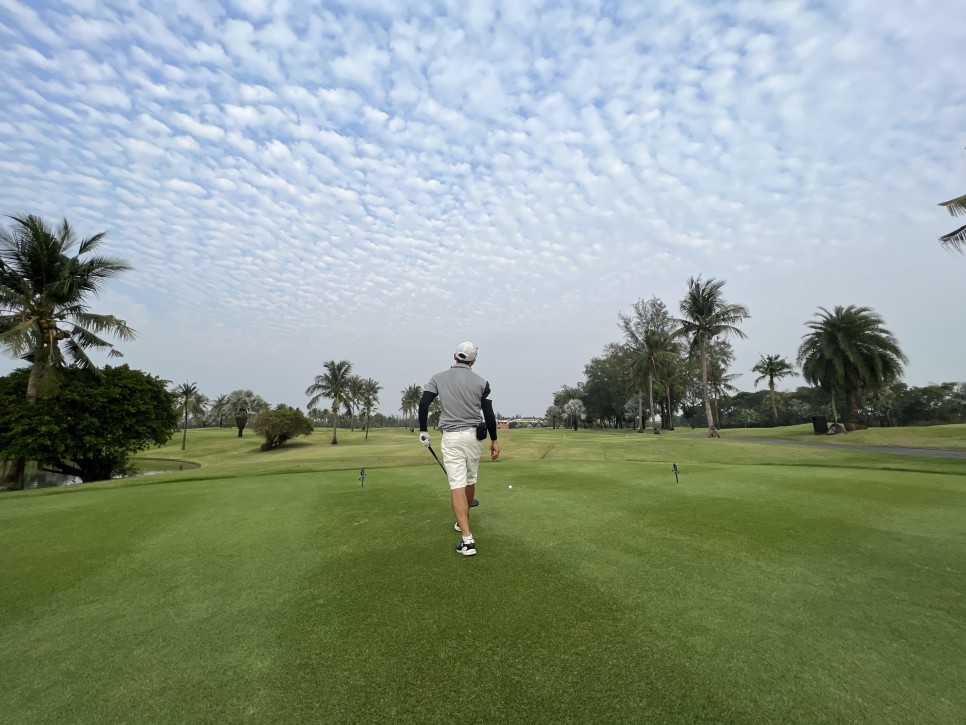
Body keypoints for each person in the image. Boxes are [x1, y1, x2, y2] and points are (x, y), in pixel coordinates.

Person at [418, 342, 500, 556]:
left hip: (452, 437)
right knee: (470, 480)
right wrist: (494, 440)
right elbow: (489, 415)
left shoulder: (437, 378)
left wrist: (424, 430)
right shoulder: (482, 382)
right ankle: (463, 520)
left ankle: (467, 540)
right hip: (475, 437)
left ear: (455, 355)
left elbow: (424, 403)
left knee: (457, 485)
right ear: (473, 360)